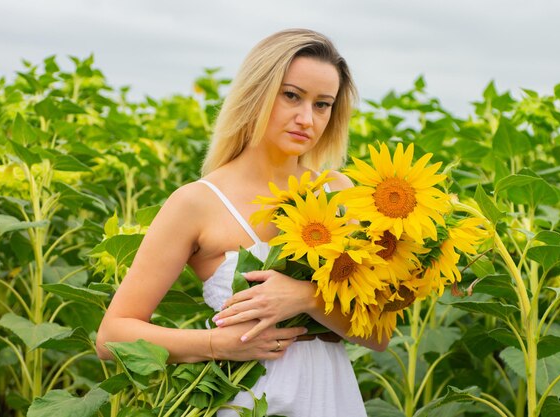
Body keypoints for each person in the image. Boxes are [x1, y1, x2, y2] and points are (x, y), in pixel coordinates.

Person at [96, 28, 389, 417]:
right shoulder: (197, 202)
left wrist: (306, 299)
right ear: (258, 92)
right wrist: (218, 345)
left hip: (329, 400)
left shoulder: (338, 192)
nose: (307, 118)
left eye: (323, 105)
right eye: (292, 96)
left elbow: (380, 335)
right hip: (243, 399)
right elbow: (112, 335)